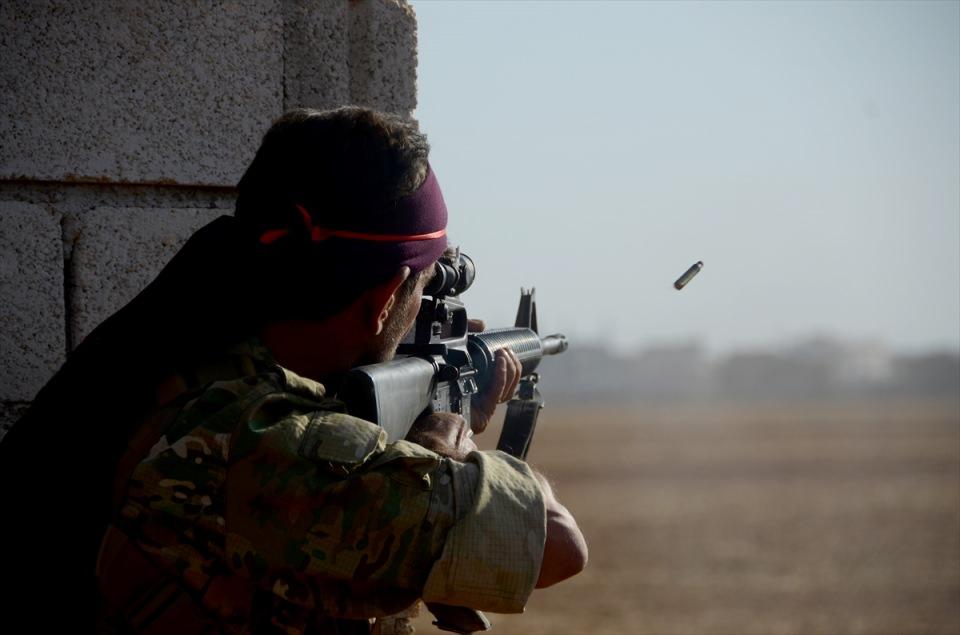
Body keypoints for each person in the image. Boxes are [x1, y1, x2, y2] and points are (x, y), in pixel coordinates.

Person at [0, 107, 586, 634]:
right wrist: (442, 456)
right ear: (384, 298)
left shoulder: (176, 344)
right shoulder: (261, 442)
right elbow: (559, 547)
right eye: (425, 283)